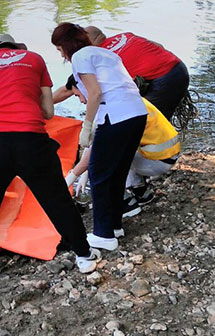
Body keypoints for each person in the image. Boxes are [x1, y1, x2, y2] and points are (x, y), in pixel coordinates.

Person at [0, 34, 100, 296]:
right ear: (15, 48)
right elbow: (48, 112)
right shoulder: (34, 59)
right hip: (33, 142)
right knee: (57, 201)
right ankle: (85, 257)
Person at [51, 23, 147, 252]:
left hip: (117, 115)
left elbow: (95, 92)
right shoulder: (105, 53)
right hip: (137, 113)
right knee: (117, 170)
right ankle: (114, 226)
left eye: (59, 49)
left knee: (99, 173)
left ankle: (104, 234)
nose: (61, 54)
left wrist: (87, 125)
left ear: (66, 45)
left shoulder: (80, 57)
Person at [69, 82, 181, 216]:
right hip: (167, 154)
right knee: (117, 146)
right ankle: (140, 192)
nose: (81, 100)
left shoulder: (111, 110)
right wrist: (84, 174)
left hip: (157, 161)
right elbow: (96, 141)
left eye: (78, 95)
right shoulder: (123, 98)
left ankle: (126, 204)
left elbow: (98, 148)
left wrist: (73, 176)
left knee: (105, 159)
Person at [53, 27, 189, 120]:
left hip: (163, 79)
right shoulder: (125, 36)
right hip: (178, 68)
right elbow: (159, 46)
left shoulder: (96, 56)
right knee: (158, 120)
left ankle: (158, 157)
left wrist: (40, 104)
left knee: (146, 123)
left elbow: (68, 89)